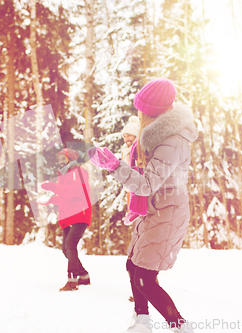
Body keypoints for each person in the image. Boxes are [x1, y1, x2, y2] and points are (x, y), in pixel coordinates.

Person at [88, 78, 198, 333]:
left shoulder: (172, 141)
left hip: (167, 213)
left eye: (142, 109)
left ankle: (181, 326)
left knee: (144, 277)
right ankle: (142, 322)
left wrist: (114, 166)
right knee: (133, 266)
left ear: (152, 112)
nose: (139, 113)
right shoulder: (159, 137)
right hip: (157, 209)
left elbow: (147, 184)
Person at [37, 148, 92, 292]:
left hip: (80, 213)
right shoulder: (64, 176)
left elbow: (74, 192)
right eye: (60, 159)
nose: (61, 162)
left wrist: (53, 187)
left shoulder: (78, 173)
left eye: (64, 158)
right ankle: (84, 276)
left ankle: (72, 280)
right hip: (68, 216)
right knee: (65, 249)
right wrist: (49, 200)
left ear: (71, 159)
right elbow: (64, 197)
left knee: (70, 244)